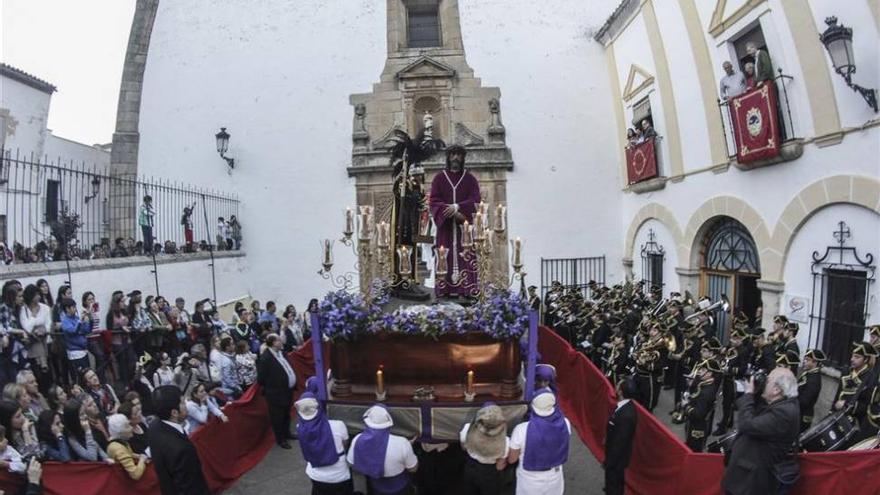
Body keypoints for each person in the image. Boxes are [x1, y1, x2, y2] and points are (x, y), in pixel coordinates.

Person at [722, 367, 801, 495]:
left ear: (776, 390)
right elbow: (754, 411)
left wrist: (748, 394)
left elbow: (747, 424)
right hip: (745, 476)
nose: (764, 382)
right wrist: (757, 391)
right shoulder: (781, 403)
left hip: (750, 483)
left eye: (767, 380)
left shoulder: (784, 412)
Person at [429, 144, 482, 298]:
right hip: (445, 229)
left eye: (459, 155)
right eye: (453, 155)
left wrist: (458, 208)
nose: (456, 158)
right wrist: (448, 212)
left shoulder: (470, 179)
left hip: (463, 230)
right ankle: (444, 290)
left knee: (465, 256)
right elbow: (434, 200)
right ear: (448, 157)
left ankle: (466, 290)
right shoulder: (439, 178)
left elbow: (475, 199)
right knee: (444, 256)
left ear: (463, 158)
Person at [148, 385, 210, 495]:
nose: (186, 404)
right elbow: (189, 487)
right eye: (182, 403)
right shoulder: (181, 449)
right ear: (174, 412)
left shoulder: (154, 426)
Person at [507, 389, 570, 495]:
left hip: (529, 481)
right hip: (554, 478)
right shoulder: (565, 423)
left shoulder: (521, 430)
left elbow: (512, 459)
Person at [348, 404, 418, 494]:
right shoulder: (402, 443)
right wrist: (405, 448)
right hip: (400, 488)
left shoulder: (358, 439)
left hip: (375, 487)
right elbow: (413, 469)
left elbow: (351, 463)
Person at [294, 392, 352, 494]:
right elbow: (345, 444)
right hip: (339, 475)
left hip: (315, 475)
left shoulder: (299, 428)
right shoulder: (338, 425)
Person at [459, 403, 511, 495]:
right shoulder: (506, 441)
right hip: (490, 473)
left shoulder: (467, 429)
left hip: (471, 468)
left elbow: (464, 447)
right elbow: (500, 466)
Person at [833, 342, 878, 444]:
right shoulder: (846, 372)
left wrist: (846, 404)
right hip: (838, 417)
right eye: (852, 356)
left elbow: (866, 406)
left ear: (866, 359)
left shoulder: (871, 378)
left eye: (857, 357)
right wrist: (832, 412)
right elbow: (838, 395)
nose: (852, 359)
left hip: (855, 424)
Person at [257, 333, 296, 448]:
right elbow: (261, 379)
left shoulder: (282, 353)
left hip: (287, 391)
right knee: (277, 417)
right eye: (279, 340)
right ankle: (281, 439)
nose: (281, 342)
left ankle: (287, 433)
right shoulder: (265, 358)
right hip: (275, 394)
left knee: (286, 414)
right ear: (273, 343)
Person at [604, 378, 637, 495]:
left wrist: (610, 462)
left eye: (618, 385)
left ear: (621, 391)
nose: (616, 386)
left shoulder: (626, 415)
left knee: (614, 485)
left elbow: (620, 442)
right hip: (615, 457)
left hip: (616, 459)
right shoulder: (624, 407)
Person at [19, 285, 53, 391]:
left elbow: (48, 324)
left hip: (45, 342)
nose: (38, 297)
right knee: (37, 373)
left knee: (48, 374)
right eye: (36, 295)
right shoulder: (23, 310)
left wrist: (43, 330)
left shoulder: (45, 308)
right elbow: (27, 328)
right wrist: (33, 316)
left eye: (39, 294)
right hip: (32, 345)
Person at [685, 358, 721, 453]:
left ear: (709, 374)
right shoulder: (705, 384)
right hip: (695, 424)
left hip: (697, 428)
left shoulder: (707, 392)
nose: (700, 371)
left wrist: (686, 407)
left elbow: (698, 414)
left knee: (693, 451)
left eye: (703, 370)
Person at [107, 413, 148, 480]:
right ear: (120, 431)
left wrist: (139, 456)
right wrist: (142, 459)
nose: (131, 428)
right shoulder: (119, 449)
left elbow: (128, 454)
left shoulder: (120, 442)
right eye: (127, 426)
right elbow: (135, 475)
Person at [60, 298, 92, 373]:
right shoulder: (65, 321)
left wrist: (89, 319)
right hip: (75, 354)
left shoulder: (76, 318)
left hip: (84, 351)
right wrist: (80, 321)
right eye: (73, 307)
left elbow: (86, 330)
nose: (75, 309)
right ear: (67, 309)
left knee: (88, 373)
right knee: (80, 375)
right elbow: (73, 331)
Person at [797, 349, 825, 433]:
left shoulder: (814, 380)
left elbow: (804, 401)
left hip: (803, 415)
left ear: (815, 363)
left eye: (807, 360)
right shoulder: (808, 374)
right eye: (805, 359)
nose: (804, 362)